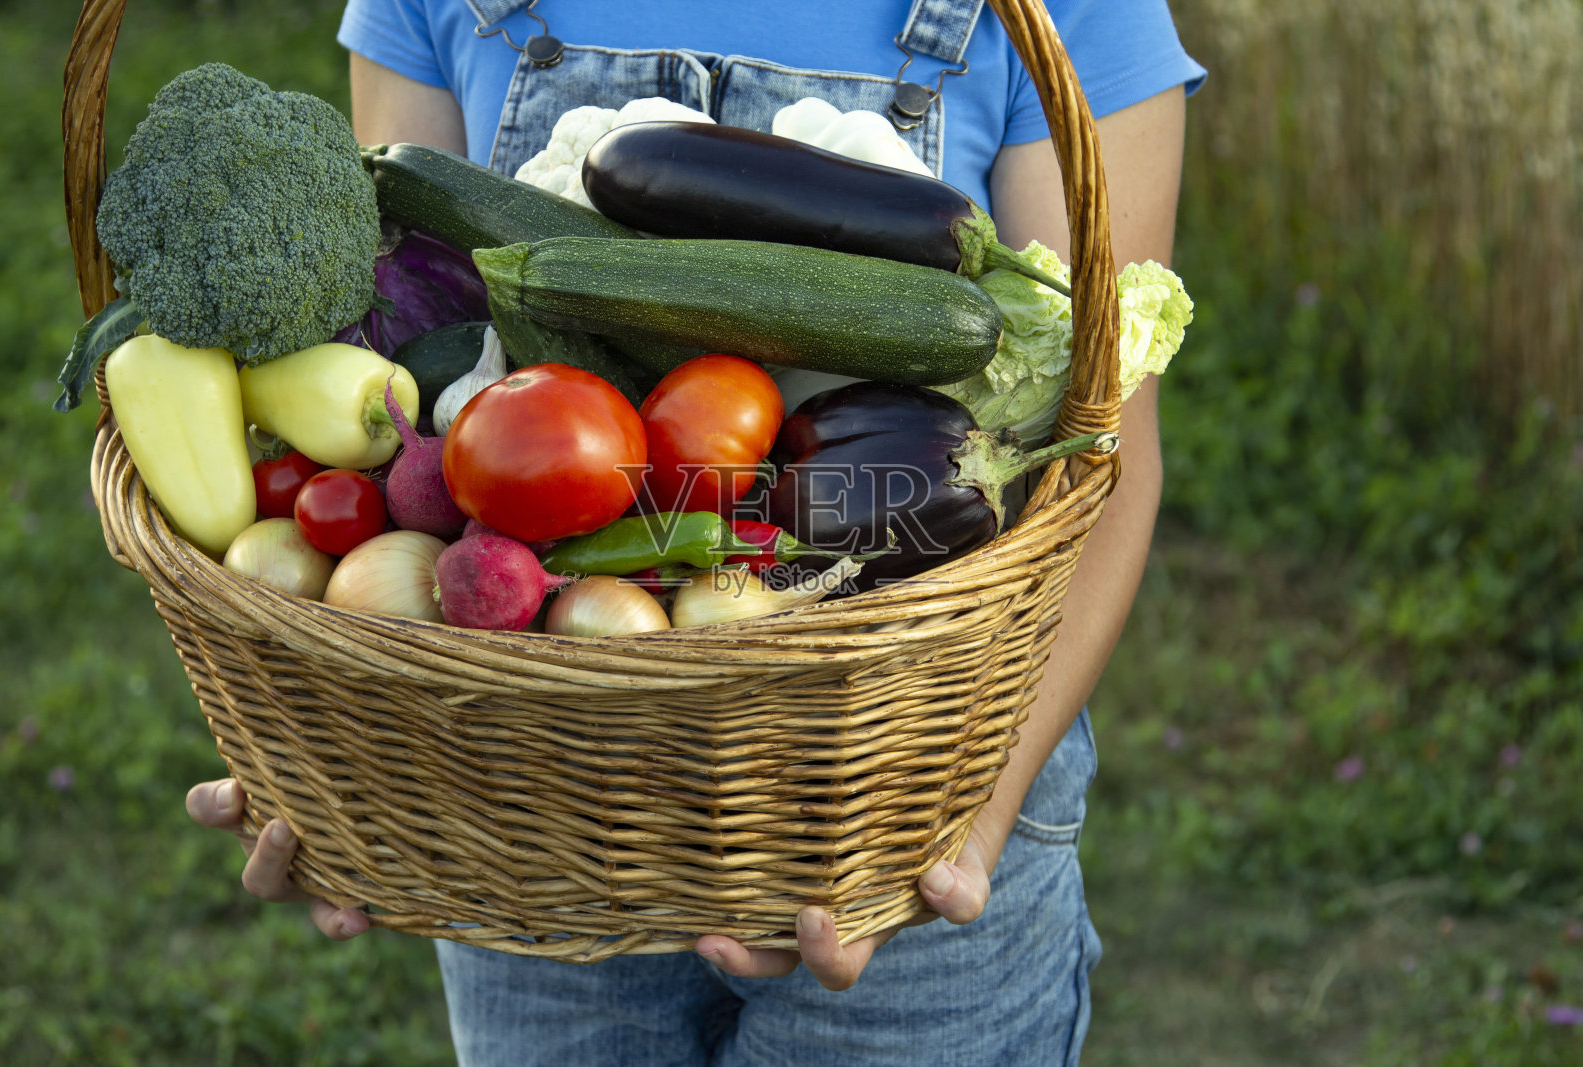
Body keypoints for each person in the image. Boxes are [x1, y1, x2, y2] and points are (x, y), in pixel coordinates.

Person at [186, 1, 1205, 1062]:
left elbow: (1102, 457)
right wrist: (348, 768)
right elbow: (401, 315)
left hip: (907, 814)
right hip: (539, 818)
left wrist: (968, 824)